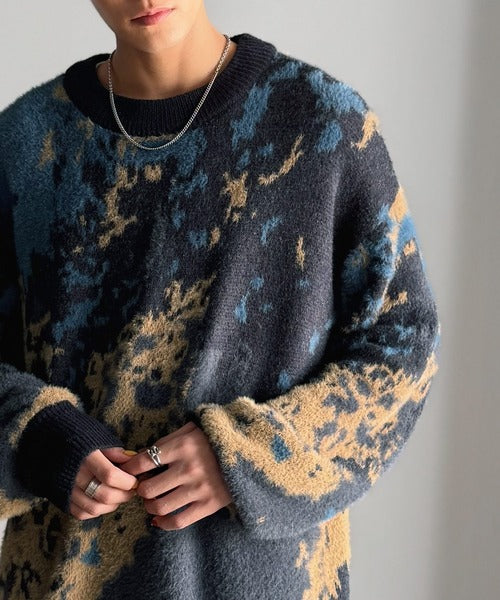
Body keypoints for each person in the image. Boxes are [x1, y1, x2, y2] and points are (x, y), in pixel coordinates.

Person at [0, 1, 441, 598]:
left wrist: (250, 456)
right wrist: (36, 438)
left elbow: (403, 349)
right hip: (63, 578)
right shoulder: (26, 146)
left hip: (270, 581)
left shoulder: (324, 127)